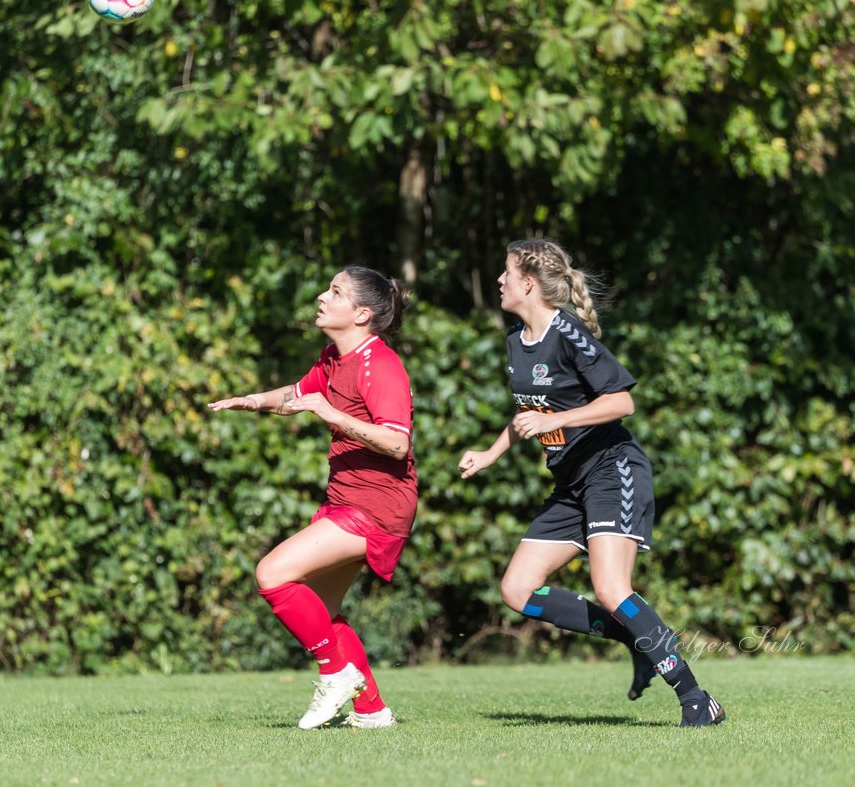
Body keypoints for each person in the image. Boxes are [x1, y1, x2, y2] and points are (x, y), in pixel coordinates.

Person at [457, 238, 724, 727]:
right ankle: (632, 637)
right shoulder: (517, 340)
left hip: (612, 469)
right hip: (571, 483)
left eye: (506, 272)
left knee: (611, 589)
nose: (499, 280)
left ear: (529, 283)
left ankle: (696, 698)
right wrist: (490, 454)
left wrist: (560, 419)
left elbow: (622, 402)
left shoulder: (570, 334)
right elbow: (528, 413)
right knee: (517, 589)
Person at [208, 266, 416, 730]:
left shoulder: (379, 365)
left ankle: (335, 673)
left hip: (378, 506)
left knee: (272, 573)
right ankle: (371, 709)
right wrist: (252, 400)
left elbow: (397, 443)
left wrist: (331, 414)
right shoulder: (333, 357)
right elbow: (299, 394)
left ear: (362, 314)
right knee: (321, 610)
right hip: (348, 499)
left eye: (335, 292)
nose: (323, 296)